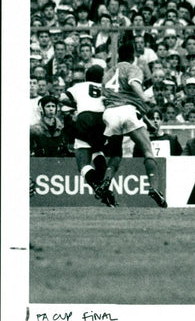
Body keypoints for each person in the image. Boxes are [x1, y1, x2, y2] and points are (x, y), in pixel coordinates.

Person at [95, 41, 168, 208]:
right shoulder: (133, 68)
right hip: (127, 111)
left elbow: (110, 98)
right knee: (148, 151)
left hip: (110, 114)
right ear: (134, 55)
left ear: (118, 55)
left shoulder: (107, 74)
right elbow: (133, 86)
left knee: (115, 155)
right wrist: (144, 97)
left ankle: (106, 182)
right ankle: (154, 188)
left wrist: (148, 122)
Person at [61, 64, 121, 206]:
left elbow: (62, 98)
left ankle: (97, 187)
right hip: (103, 119)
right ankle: (103, 187)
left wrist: (77, 105)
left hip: (85, 117)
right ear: (101, 77)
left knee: (83, 164)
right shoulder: (106, 88)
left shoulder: (79, 86)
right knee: (97, 150)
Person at [30, 94, 71, 159]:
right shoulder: (34, 130)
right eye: (48, 106)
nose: (51, 109)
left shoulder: (62, 128)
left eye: (53, 106)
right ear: (42, 109)